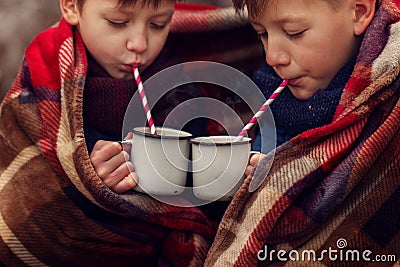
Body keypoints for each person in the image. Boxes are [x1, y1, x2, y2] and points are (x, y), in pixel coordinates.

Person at [204, 0, 400, 265]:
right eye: (262, 34)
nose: (273, 56)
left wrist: (289, 181)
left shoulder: (390, 96)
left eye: (294, 32)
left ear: (359, 13)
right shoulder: (269, 93)